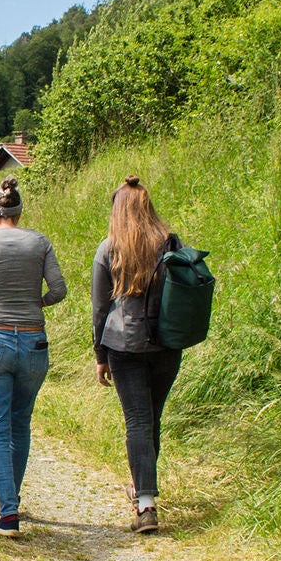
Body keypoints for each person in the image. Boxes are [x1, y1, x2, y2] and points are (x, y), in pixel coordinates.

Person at [0, 176, 66, 536]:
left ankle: (8, 513)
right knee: (21, 423)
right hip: (34, 341)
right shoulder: (39, 242)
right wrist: (35, 303)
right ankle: (13, 500)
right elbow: (59, 290)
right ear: (18, 212)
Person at [90, 177, 183, 534]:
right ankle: (141, 489)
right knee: (152, 419)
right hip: (166, 344)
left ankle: (145, 503)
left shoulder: (110, 248)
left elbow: (100, 308)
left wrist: (100, 354)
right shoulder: (171, 243)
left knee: (138, 422)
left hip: (124, 345)